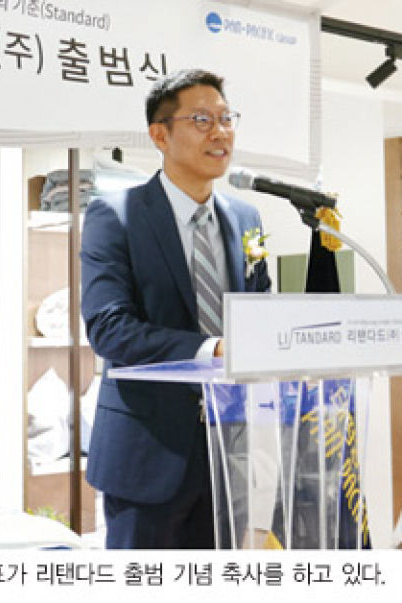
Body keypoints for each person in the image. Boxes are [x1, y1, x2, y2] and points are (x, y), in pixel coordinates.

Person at [80, 69, 271, 549]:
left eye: (226, 119)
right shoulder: (115, 214)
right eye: (202, 120)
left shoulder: (246, 218)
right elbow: (109, 329)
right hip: (147, 456)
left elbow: (260, 312)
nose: (220, 132)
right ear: (160, 135)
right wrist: (212, 349)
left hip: (229, 452)